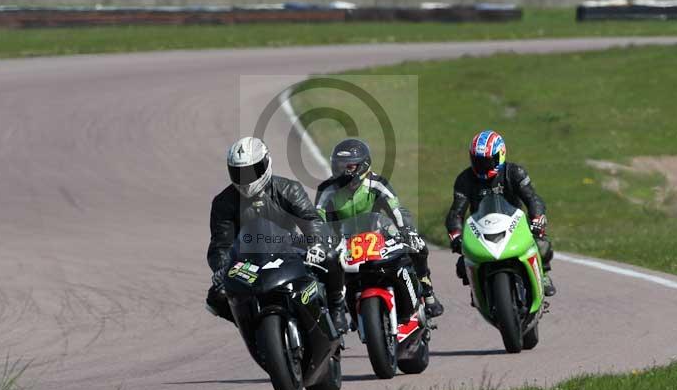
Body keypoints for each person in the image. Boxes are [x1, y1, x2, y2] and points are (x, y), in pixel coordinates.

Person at [206, 136, 349, 333]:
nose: (246, 178)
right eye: (239, 172)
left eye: (252, 171)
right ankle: (254, 330)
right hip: (249, 259)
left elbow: (311, 220)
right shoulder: (224, 202)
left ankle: (337, 309)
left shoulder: (288, 188)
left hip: (290, 247)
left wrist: (316, 245)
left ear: (266, 164)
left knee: (331, 256)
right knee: (217, 296)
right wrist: (222, 268)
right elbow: (220, 245)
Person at [315, 138, 445, 318]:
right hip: (345, 243)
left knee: (419, 246)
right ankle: (335, 311)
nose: (342, 172)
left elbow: (396, 209)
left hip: (380, 234)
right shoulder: (327, 190)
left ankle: (428, 291)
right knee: (320, 266)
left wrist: (407, 231)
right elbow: (318, 220)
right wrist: (320, 242)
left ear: (363, 166)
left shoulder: (377, 183)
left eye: (349, 167)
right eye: (338, 166)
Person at [445, 130, 556, 296]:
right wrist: (456, 234)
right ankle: (479, 290)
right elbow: (456, 212)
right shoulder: (465, 180)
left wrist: (537, 218)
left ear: (500, 155)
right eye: (478, 161)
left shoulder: (514, 172)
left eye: (487, 162)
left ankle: (543, 273)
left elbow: (533, 199)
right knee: (463, 265)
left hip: (515, 225)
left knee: (542, 245)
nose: (482, 166)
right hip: (481, 229)